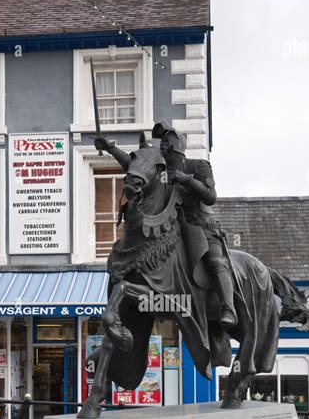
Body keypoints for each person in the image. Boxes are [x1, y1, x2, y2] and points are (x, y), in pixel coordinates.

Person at [94, 122, 237, 329]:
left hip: (201, 226)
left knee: (214, 260)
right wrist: (110, 147)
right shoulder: (160, 169)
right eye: (161, 140)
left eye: (167, 139)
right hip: (170, 229)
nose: (163, 143)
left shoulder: (198, 166)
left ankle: (228, 307)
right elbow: (132, 165)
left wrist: (187, 180)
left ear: (177, 143)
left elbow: (210, 197)